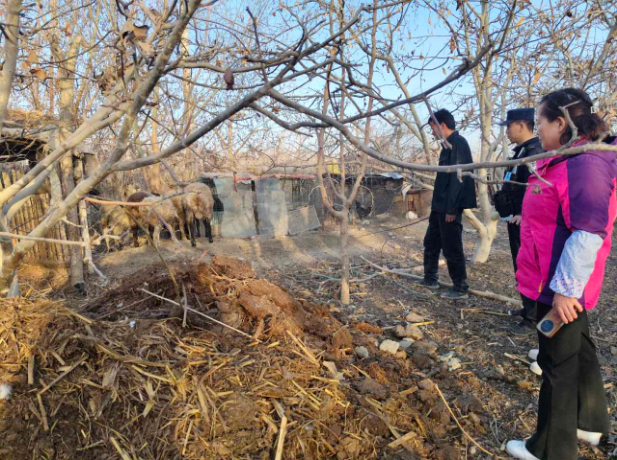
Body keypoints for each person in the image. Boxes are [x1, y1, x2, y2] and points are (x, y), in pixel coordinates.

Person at [506, 88, 617, 460]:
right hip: (553, 277)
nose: (537, 128)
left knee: (557, 364)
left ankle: (550, 449)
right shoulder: (567, 158)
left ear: (560, 122)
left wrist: (566, 290)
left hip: (559, 284)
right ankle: (589, 421)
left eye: (540, 121)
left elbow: (588, 232)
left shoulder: (584, 164)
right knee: (578, 350)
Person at [416, 109, 477, 299]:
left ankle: (460, 287)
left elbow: (458, 180)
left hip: (449, 207)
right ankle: (430, 278)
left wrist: (452, 208)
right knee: (431, 243)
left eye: (433, 128)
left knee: (452, 247)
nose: (432, 132)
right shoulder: (447, 146)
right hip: (439, 206)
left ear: (442, 125)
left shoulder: (458, 144)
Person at [494, 108, 544, 334]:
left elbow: (537, 188)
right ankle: (527, 308)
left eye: (509, 126)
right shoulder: (520, 152)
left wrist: (525, 214)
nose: (506, 131)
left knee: (529, 267)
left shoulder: (535, 152)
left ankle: (532, 317)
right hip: (515, 220)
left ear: (522, 125)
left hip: (525, 222)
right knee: (521, 266)